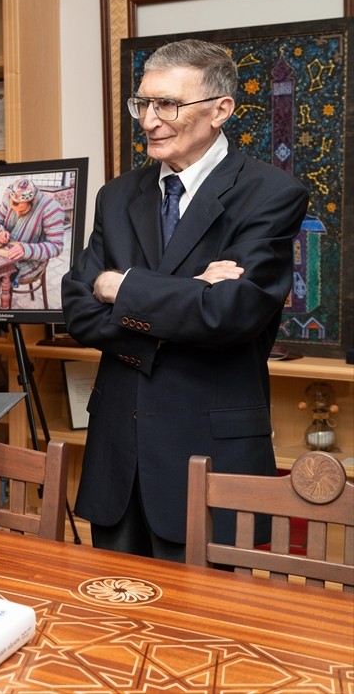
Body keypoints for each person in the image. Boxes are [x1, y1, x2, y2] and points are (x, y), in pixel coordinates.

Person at [62, 38, 309, 562]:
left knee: (206, 637)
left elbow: (229, 315)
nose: (150, 120)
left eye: (168, 104)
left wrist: (119, 286)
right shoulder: (118, 195)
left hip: (211, 460)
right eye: (144, 104)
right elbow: (80, 309)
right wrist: (189, 292)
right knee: (109, 623)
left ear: (221, 110)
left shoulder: (270, 195)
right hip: (117, 462)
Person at [0, 176, 66, 290]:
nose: (18, 214)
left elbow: (57, 246)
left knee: (2, 272)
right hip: (6, 251)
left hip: (32, 261)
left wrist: (26, 250)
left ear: (33, 201)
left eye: (23, 211)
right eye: (14, 210)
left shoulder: (51, 209)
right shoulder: (9, 196)